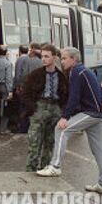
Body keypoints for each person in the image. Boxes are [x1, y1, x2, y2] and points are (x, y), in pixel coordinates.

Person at [36, 47, 102, 195]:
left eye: (64, 58)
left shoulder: (76, 72)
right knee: (98, 149)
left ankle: (55, 167)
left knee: (61, 129)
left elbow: (74, 97)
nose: (61, 61)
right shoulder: (85, 70)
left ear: (74, 59)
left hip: (91, 113)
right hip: (98, 114)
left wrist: (65, 117)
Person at [22, 44, 67, 172]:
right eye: (42, 56)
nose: (43, 59)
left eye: (47, 56)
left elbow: (66, 94)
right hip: (39, 107)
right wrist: (33, 107)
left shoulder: (61, 76)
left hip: (55, 108)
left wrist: (62, 109)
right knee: (34, 141)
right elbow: (25, 93)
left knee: (50, 141)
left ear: (54, 57)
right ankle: (30, 169)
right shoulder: (35, 75)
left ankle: (45, 167)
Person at [13, 45, 30, 133]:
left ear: (19, 51)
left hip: (22, 87)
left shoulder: (20, 60)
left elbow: (18, 74)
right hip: (29, 86)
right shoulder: (30, 58)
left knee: (21, 107)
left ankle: (22, 127)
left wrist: (17, 87)